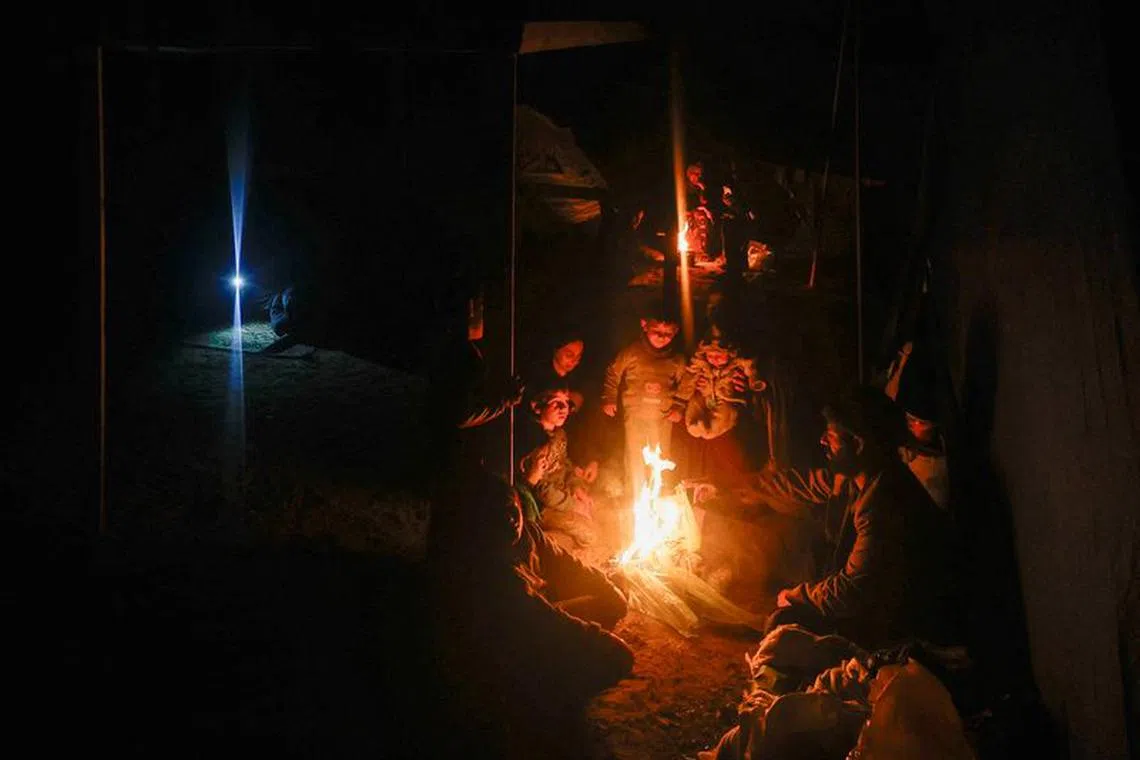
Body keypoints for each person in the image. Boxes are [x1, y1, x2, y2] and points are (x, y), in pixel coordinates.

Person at [716, 385, 959, 650]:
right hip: (876, 602)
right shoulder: (859, 477)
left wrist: (798, 595)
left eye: (831, 435)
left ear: (858, 443)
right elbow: (798, 484)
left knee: (785, 622)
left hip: (908, 622)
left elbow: (852, 590)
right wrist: (728, 485)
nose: (822, 441)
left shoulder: (884, 502)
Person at [428, 468, 633, 754]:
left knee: (610, 599)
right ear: (480, 521)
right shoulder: (487, 571)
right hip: (504, 650)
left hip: (532, 624)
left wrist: (608, 589)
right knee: (615, 658)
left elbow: (567, 564)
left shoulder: (528, 533)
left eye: (512, 510)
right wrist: (598, 640)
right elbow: (543, 621)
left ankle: (554, 681)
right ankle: (545, 700)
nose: (511, 519)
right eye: (499, 514)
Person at [601, 308, 687, 497]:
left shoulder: (677, 360)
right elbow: (613, 373)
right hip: (635, 415)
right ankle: (635, 495)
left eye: (668, 333)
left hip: (663, 417)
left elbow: (686, 383)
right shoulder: (631, 352)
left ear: (676, 332)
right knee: (634, 455)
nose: (662, 337)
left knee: (662, 455)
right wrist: (609, 398)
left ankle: (659, 494)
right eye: (657, 331)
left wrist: (679, 406)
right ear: (644, 325)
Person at [518, 388, 598, 548]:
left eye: (566, 403)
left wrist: (576, 488)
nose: (564, 409)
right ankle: (544, 542)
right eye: (556, 403)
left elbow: (565, 465)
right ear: (538, 407)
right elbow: (542, 490)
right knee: (589, 535)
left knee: (595, 511)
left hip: (562, 496)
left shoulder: (559, 435)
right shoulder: (536, 441)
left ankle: (556, 539)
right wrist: (572, 505)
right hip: (545, 508)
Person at [675, 326, 767, 441]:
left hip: (726, 399)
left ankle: (709, 431)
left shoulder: (736, 365)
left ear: (730, 354)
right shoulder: (702, 364)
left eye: (719, 355)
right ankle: (693, 426)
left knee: (723, 417)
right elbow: (689, 377)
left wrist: (754, 380)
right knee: (694, 404)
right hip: (705, 395)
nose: (714, 359)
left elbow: (750, 368)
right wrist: (681, 398)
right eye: (710, 356)